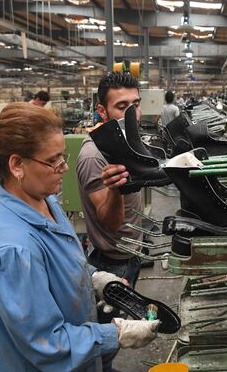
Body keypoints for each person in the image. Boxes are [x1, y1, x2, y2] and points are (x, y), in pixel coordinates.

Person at [0, 102, 158, 372]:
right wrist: (116, 334)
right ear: (17, 165)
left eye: (63, 157)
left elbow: (59, 259)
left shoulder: (44, 201)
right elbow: (47, 344)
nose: (63, 168)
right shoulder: (10, 248)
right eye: (53, 160)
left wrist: (93, 277)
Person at [76, 72, 143, 372]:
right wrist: (116, 188)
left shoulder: (128, 142)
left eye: (136, 104)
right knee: (106, 338)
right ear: (102, 111)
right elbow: (110, 221)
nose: (132, 113)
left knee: (116, 335)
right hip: (112, 263)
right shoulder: (94, 156)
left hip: (132, 256)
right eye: (122, 106)